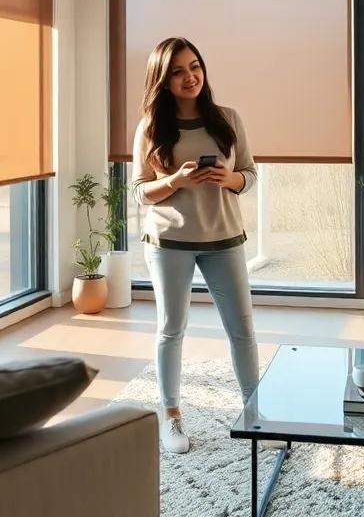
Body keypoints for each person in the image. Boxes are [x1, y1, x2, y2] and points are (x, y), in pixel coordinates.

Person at [131, 37, 260, 454]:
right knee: (171, 329)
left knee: (241, 329)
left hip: (224, 238)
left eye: (195, 67)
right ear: (163, 81)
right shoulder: (151, 128)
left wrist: (229, 179)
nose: (190, 77)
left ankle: (254, 412)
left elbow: (250, 175)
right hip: (169, 242)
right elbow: (139, 192)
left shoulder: (228, 119)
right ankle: (171, 417)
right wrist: (176, 181)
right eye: (178, 71)